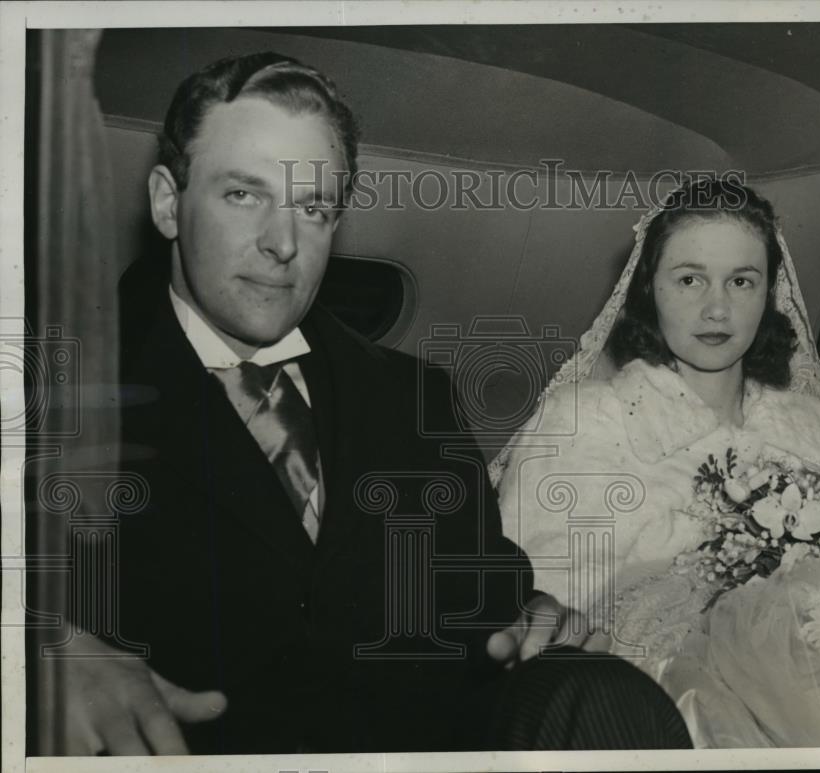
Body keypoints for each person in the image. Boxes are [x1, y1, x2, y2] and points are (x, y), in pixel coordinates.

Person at [59, 52, 693, 755]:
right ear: (166, 202)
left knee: (606, 694)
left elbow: (487, 608)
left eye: (314, 208)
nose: (282, 243)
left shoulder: (410, 397)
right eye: (244, 195)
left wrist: (535, 621)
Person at [494, 178, 820, 747]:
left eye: (741, 281)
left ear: (768, 294)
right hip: (674, 684)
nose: (716, 307)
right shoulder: (584, 420)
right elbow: (542, 606)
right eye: (690, 279)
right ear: (649, 289)